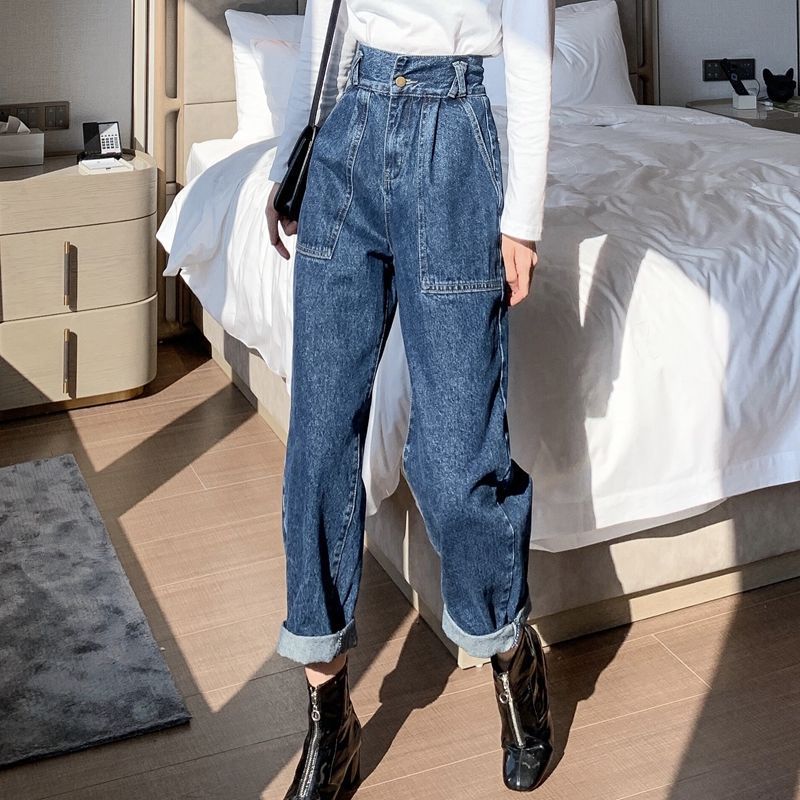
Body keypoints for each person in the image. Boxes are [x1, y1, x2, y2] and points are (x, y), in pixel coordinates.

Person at [265, 0, 556, 794]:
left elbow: (529, 50)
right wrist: (290, 158)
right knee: (320, 444)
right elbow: (322, 28)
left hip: (455, 144)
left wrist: (522, 218)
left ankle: (509, 650)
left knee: (459, 462)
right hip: (348, 134)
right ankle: (330, 718)